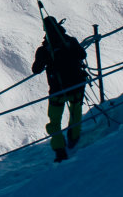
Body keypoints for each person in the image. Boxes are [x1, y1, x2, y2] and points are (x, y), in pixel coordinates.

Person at [33, 15, 90, 161]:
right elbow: (82, 54)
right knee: (76, 112)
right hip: (77, 86)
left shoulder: (44, 49)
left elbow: (36, 69)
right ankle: (74, 138)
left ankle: (60, 150)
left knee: (54, 121)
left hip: (58, 90)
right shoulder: (70, 41)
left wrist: (46, 58)